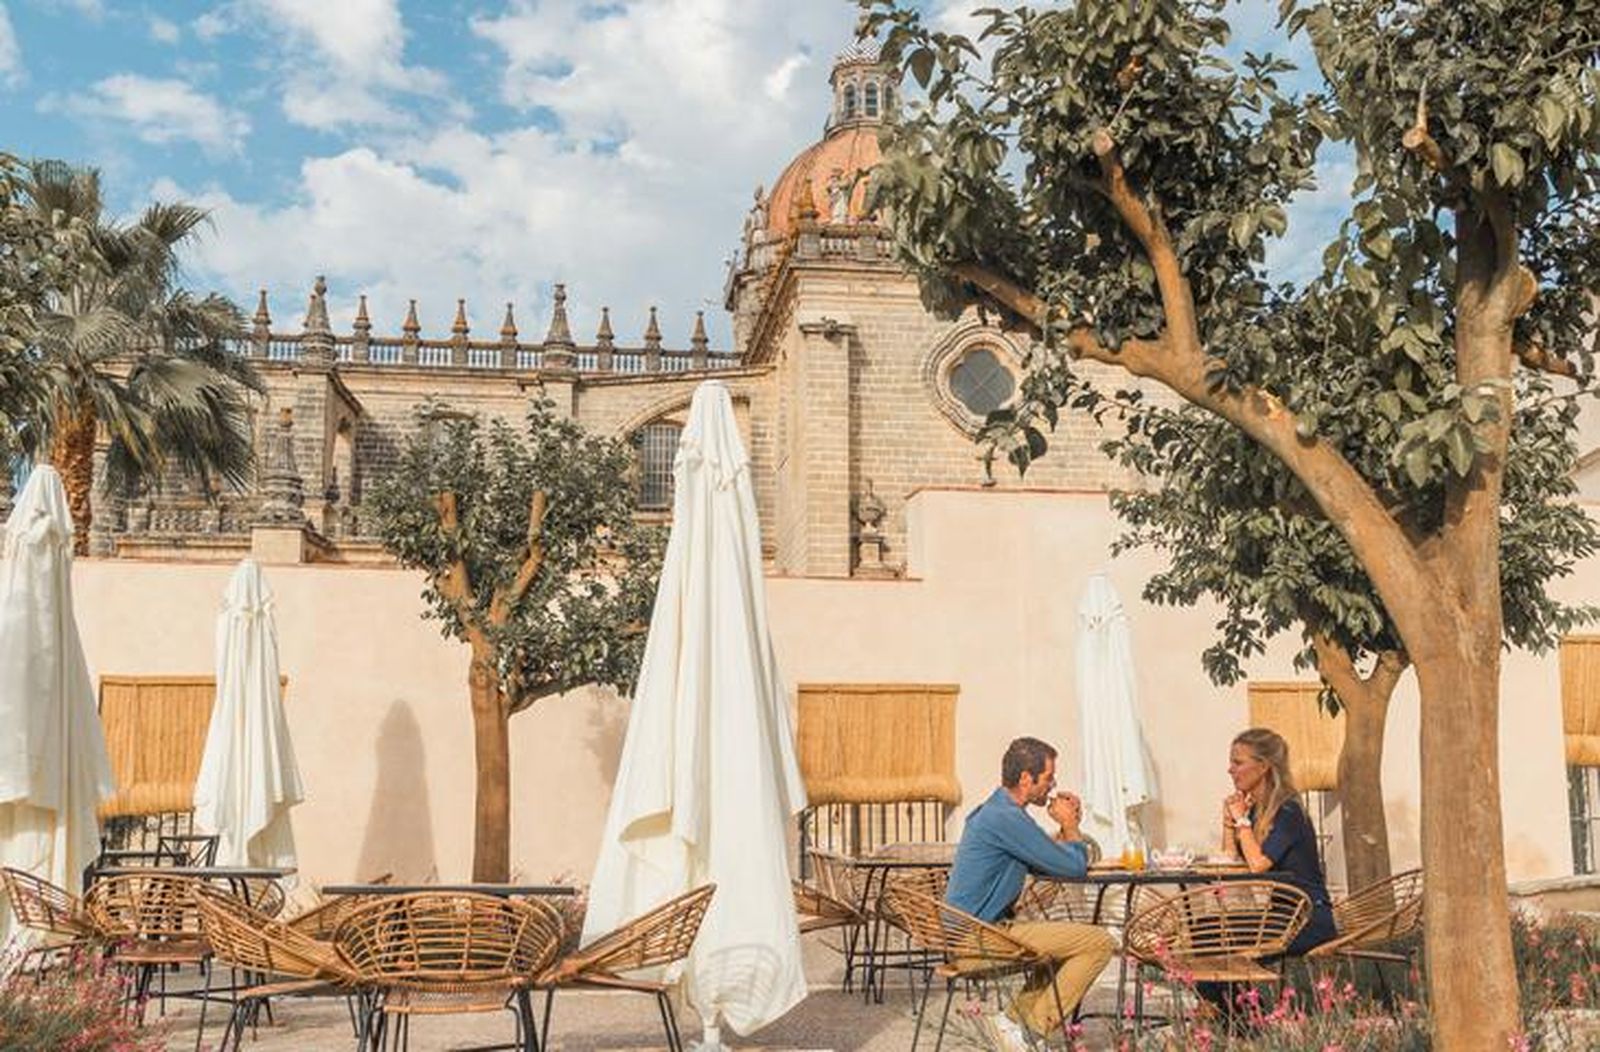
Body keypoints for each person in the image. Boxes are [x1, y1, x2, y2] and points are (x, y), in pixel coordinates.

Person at [944, 736, 1116, 1049]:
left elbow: (1052, 861)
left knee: (1066, 947)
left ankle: (1012, 1026)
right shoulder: (1007, 818)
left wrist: (1068, 829)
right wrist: (1070, 825)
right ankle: (1028, 1031)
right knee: (1100, 943)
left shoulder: (998, 812)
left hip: (975, 936)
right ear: (1026, 778)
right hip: (976, 943)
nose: (1052, 786)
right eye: (1048, 778)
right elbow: (1073, 868)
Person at [1199, 727, 1339, 1026]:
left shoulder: (1288, 810)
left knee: (1213, 942)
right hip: (1278, 917)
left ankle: (1252, 1027)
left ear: (1263, 767)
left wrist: (1241, 821)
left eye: (1238, 762)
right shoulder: (1257, 810)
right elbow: (1232, 865)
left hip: (1308, 919)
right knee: (1204, 934)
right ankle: (1247, 1024)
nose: (1230, 769)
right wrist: (1230, 823)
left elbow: (1258, 864)